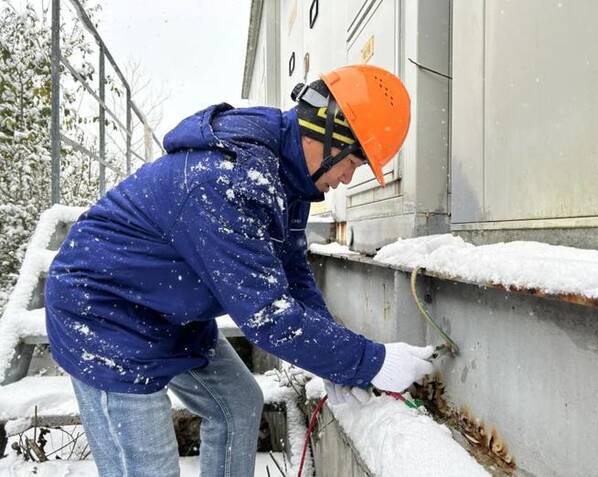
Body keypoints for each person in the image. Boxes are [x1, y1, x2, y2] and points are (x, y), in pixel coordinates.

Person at [44, 64, 435, 477]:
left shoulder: (287, 178)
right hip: (105, 318)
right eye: (353, 163)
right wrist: (371, 361)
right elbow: (269, 317)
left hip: (167, 312)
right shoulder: (223, 180)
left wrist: (336, 361)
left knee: (238, 405)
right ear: (327, 134)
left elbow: (294, 277)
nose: (347, 179)